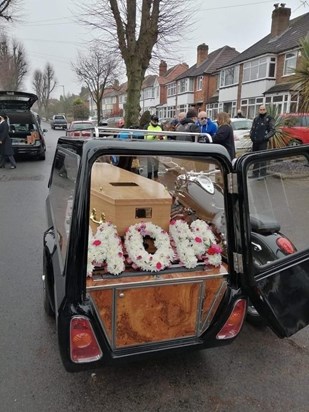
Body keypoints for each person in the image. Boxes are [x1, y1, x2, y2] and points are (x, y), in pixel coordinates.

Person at [249, 105, 275, 178]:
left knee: (262, 158)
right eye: (261, 109)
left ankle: (263, 175)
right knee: (255, 157)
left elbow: (273, 130)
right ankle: (255, 173)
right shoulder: (256, 119)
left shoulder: (269, 118)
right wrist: (251, 135)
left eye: (263, 109)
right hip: (255, 141)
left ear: (266, 110)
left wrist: (265, 137)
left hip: (263, 142)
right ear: (259, 110)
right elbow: (252, 128)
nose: (262, 111)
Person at [145, 114, 163, 179]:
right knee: (149, 163)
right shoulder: (147, 127)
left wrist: (162, 138)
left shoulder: (160, 127)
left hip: (158, 147)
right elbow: (146, 138)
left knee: (156, 163)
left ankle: (156, 175)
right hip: (149, 147)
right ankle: (149, 176)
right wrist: (154, 136)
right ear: (151, 120)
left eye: (156, 121)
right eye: (154, 120)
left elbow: (164, 136)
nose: (155, 122)